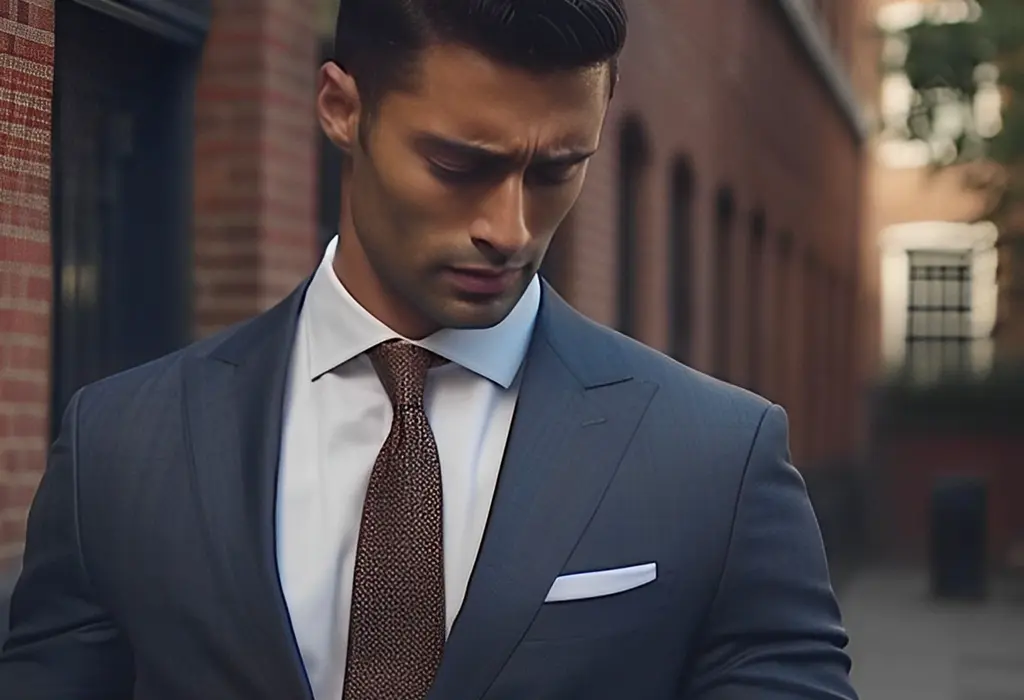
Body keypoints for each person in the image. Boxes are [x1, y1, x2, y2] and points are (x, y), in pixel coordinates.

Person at [0, 1, 858, 698]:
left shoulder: (716, 456)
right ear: (341, 108)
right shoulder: (120, 443)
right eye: (458, 164)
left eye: (558, 168)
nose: (510, 228)